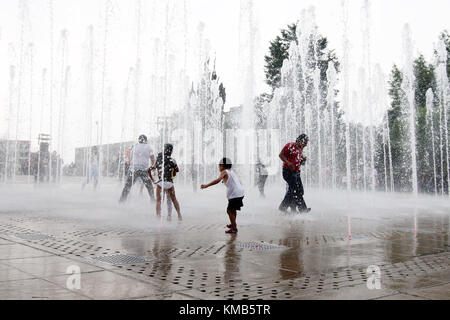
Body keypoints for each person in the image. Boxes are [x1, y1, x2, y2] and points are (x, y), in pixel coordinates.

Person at [201, 158, 244, 234]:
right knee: (233, 210)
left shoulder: (224, 172)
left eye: (219, 166)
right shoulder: (231, 172)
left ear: (222, 166)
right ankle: (233, 223)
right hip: (240, 193)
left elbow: (217, 180)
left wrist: (206, 185)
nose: (218, 168)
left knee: (229, 211)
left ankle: (234, 228)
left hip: (235, 195)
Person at [148, 143, 182, 221]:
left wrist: (153, 179)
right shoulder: (172, 160)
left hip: (160, 183)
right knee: (172, 199)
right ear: (171, 151)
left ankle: (158, 218)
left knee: (159, 201)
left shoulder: (159, 159)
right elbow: (177, 170)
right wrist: (172, 173)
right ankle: (178, 216)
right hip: (169, 183)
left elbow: (151, 168)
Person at [278, 134, 311, 213]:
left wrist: (303, 160)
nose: (306, 144)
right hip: (288, 172)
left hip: (296, 173)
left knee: (298, 191)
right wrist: (288, 163)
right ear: (300, 141)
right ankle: (303, 209)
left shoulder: (300, 149)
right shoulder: (290, 145)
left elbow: (300, 163)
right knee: (296, 191)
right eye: (305, 142)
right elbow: (281, 155)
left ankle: (283, 207)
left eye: (306, 143)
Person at [119, 135, 155, 203]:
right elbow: (152, 157)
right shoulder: (148, 147)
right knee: (149, 186)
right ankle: (153, 201)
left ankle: (122, 200)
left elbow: (130, 158)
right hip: (143, 169)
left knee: (128, 185)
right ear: (146, 140)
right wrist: (153, 166)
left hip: (133, 169)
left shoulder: (134, 147)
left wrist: (131, 166)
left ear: (139, 140)